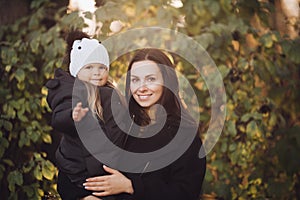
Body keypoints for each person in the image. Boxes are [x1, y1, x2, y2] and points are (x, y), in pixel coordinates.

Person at [81, 48, 207, 200]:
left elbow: (185, 193)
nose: (142, 87)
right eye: (135, 80)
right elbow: (78, 159)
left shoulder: (184, 134)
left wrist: (131, 186)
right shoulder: (121, 124)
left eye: (151, 79)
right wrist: (82, 197)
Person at [46, 30, 127, 200]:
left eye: (101, 67)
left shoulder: (110, 93)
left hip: (99, 168)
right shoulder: (71, 92)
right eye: (89, 67)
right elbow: (59, 117)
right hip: (77, 171)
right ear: (76, 70)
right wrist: (72, 116)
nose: (96, 72)